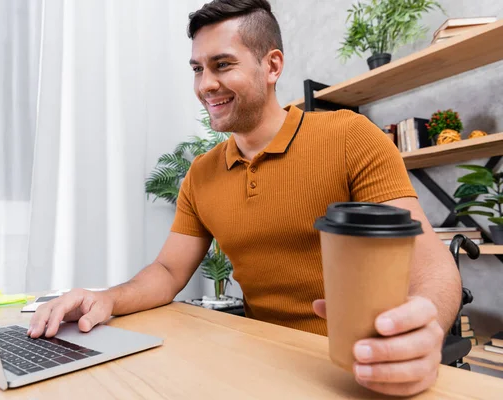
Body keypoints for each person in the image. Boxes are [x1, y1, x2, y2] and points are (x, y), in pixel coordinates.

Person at [29, 0, 461, 396]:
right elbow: (166, 269)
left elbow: (430, 264)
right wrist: (106, 298)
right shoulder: (201, 173)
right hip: (256, 361)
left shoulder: (349, 137)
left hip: (352, 367)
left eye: (222, 65)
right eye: (197, 68)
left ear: (272, 65)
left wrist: (426, 328)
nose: (206, 85)